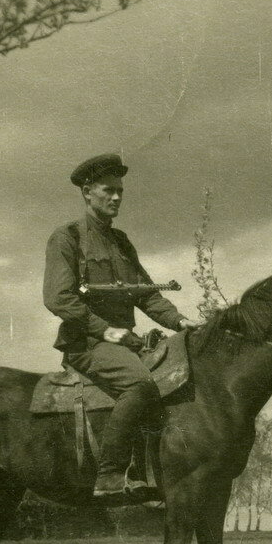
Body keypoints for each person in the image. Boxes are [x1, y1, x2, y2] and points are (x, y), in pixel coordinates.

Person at [43, 154, 199, 499]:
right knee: (140, 385)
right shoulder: (67, 237)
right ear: (87, 192)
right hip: (85, 345)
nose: (116, 198)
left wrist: (181, 321)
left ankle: (151, 473)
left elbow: (147, 294)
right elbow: (57, 298)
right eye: (107, 190)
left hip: (123, 344)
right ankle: (111, 476)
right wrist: (104, 330)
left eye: (120, 192)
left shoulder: (121, 243)